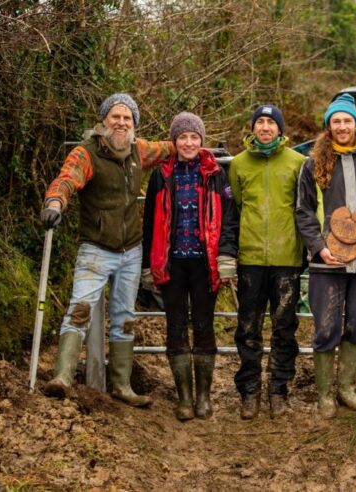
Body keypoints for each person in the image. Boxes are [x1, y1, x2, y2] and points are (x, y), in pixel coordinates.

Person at [41, 93, 175, 406]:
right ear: (104, 120)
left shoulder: (138, 150)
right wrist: (54, 203)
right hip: (96, 248)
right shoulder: (86, 153)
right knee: (81, 308)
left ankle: (122, 386)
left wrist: (195, 147)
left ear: (134, 125)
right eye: (115, 116)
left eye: (127, 118)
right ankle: (62, 376)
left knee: (125, 317)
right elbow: (66, 179)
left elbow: (170, 148)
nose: (121, 123)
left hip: (130, 249)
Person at [295, 93, 356, 419]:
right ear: (328, 126)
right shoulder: (312, 165)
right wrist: (319, 247)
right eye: (335, 121)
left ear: (355, 124)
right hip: (327, 263)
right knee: (325, 328)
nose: (341, 126)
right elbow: (304, 212)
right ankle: (325, 394)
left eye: (347, 121)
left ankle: (347, 388)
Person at [141, 112, 238, 421]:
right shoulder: (161, 174)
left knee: (204, 325)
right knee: (175, 326)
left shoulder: (215, 173)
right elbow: (149, 221)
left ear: (201, 140)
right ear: (174, 141)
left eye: (193, 137)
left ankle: (203, 396)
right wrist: (147, 263)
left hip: (204, 262)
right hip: (171, 263)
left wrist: (226, 255)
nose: (188, 142)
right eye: (182, 137)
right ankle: (184, 397)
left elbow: (229, 219)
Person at [228, 104, 306, 419]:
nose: (265, 127)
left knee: (285, 327)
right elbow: (234, 209)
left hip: (288, 257)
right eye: (259, 122)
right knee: (248, 327)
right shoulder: (237, 165)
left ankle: (279, 391)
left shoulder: (298, 163)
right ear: (252, 128)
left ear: (280, 129)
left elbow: (306, 208)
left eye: (270, 123)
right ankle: (249, 392)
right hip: (250, 258)